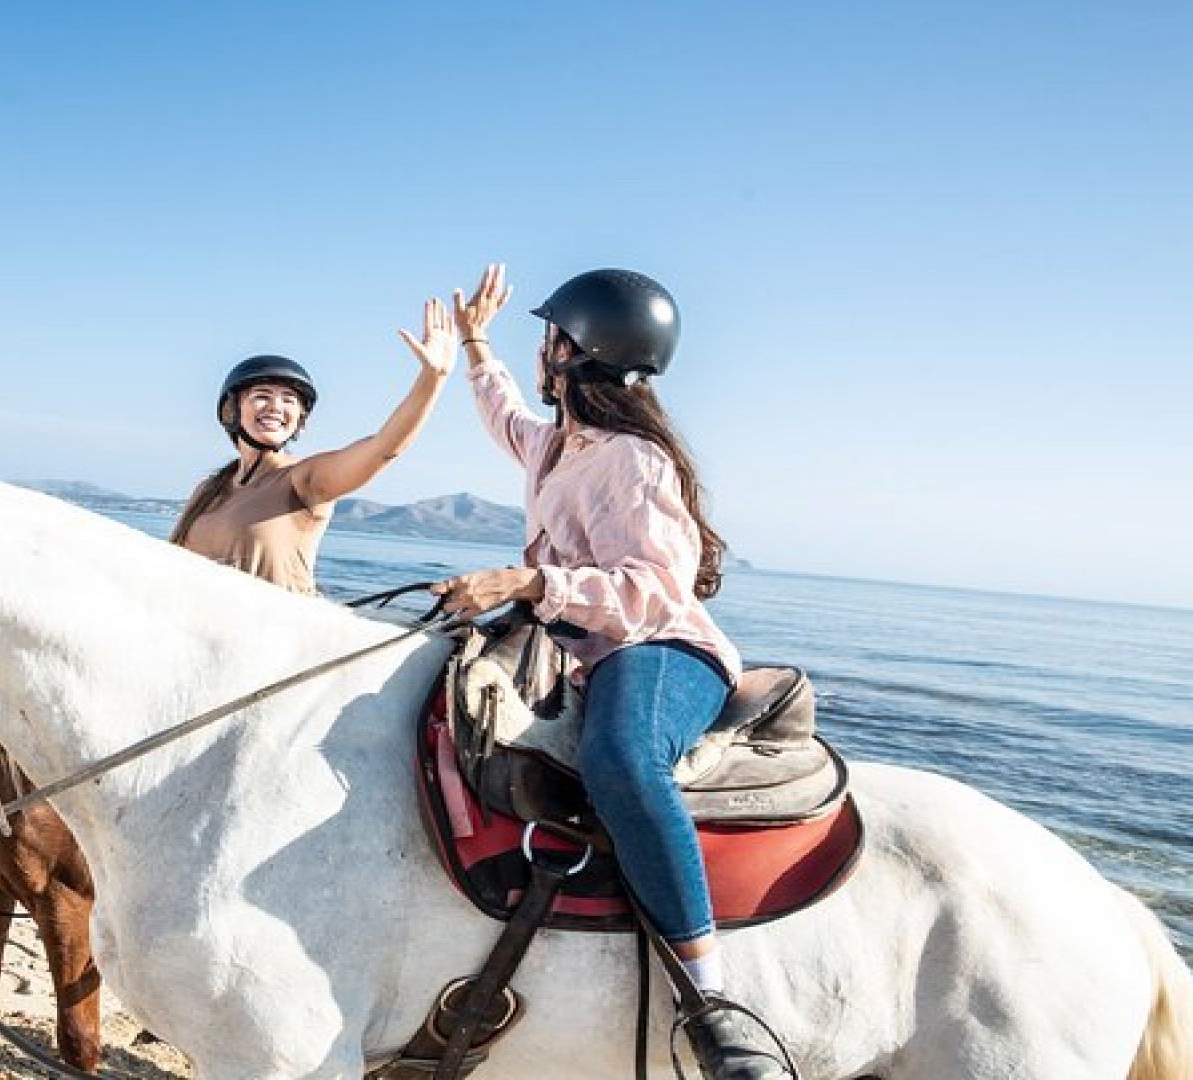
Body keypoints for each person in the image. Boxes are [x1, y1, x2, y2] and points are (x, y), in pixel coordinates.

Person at [431, 264, 792, 1080]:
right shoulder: (555, 446)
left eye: (545, 337)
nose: (538, 352)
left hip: (658, 647)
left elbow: (652, 591)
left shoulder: (635, 459)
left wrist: (530, 583)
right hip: (585, 644)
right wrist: (475, 344)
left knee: (620, 760)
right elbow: (503, 414)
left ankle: (712, 1004)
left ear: (570, 349)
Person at [170, 299, 457, 592]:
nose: (275, 407)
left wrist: (432, 379)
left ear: (299, 419)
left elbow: (383, 448)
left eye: (289, 400)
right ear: (231, 410)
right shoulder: (209, 489)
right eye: (261, 395)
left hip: (277, 634)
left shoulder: (304, 480)